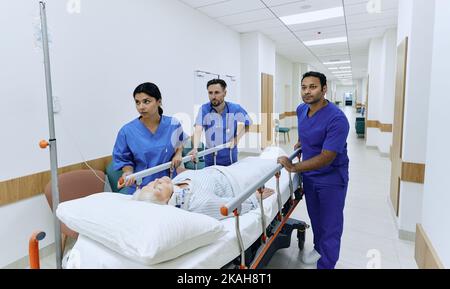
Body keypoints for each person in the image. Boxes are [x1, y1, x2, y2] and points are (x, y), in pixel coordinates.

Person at [277, 71, 350, 269]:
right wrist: (302, 142)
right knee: (316, 219)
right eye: (304, 87)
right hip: (310, 176)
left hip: (331, 179)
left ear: (324, 89)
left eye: (313, 87)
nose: (307, 92)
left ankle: (326, 264)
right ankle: (318, 249)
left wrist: (293, 167)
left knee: (330, 226)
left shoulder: (337, 119)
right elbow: (305, 129)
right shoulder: (302, 109)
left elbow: (327, 157)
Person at [132, 154, 280, 220]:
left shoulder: (175, 185)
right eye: (157, 188)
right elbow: (229, 207)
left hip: (225, 169)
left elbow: (194, 177)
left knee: (251, 159)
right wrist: (255, 197)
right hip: (237, 180)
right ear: (166, 203)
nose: (157, 180)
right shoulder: (197, 203)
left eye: (151, 183)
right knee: (273, 163)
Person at [113, 82, 188, 194]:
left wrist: (178, 153)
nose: (141, 107)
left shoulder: (173, 124)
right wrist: (128, 172)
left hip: (168, 185)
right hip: (142, 187)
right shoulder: (127, 131)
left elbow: (180, 142)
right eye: (137, 102)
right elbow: (123, 159)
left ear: (159, 101)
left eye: (146, 101)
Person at [189, 79, 252, 167]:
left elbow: (248, 123)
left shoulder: (235, 108)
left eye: (217, 92)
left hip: (229, 154)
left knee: (229, 179)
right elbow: (198, 129)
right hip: (210, 155)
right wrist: (195, 148)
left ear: (224, 93)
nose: (213, 96)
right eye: (210, 93)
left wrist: (237, 139)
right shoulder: (204, 109)